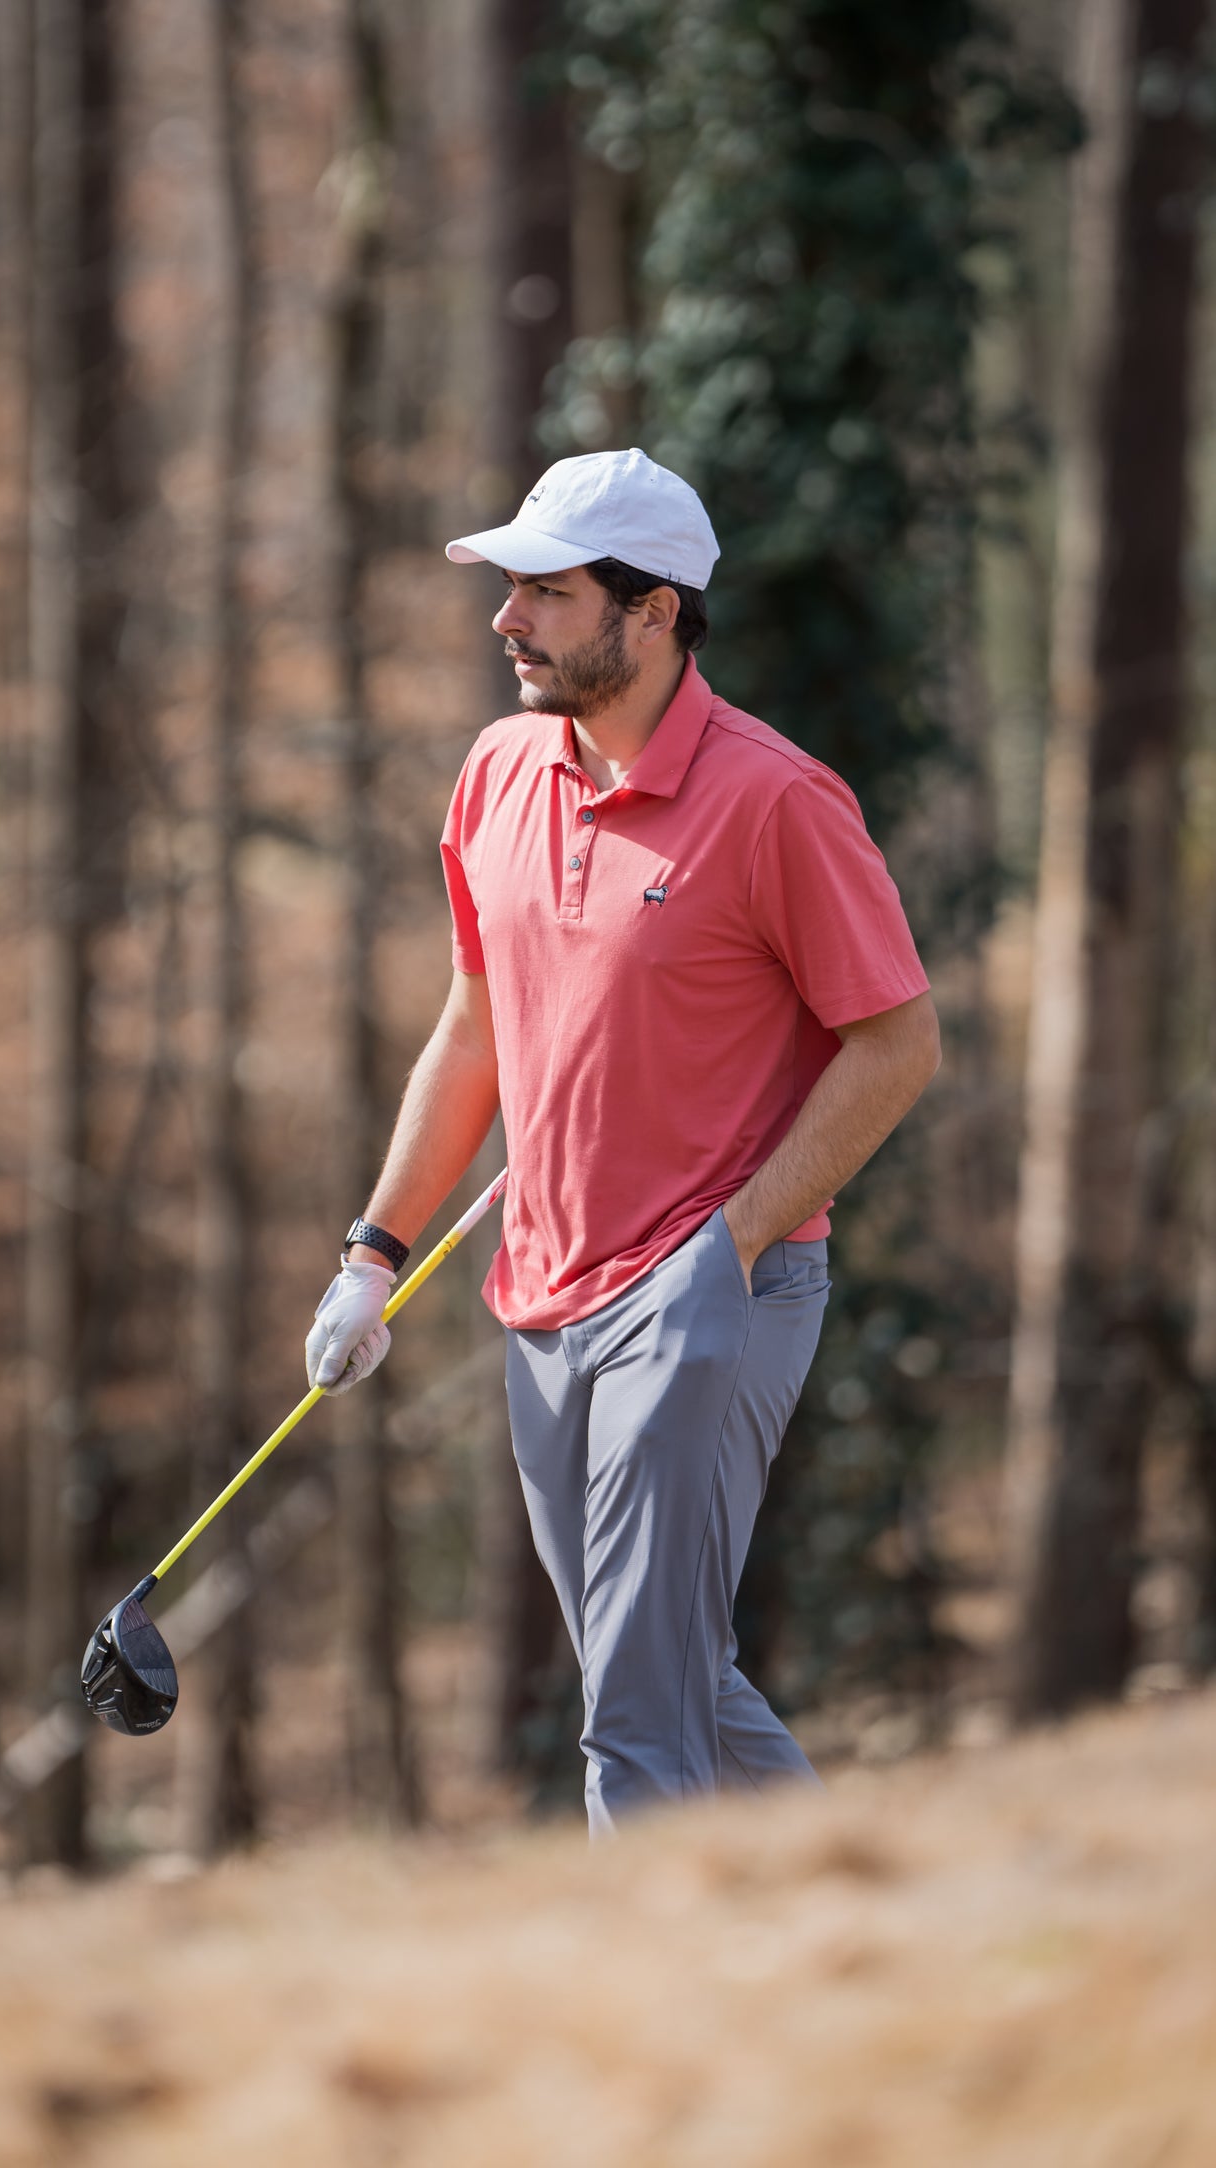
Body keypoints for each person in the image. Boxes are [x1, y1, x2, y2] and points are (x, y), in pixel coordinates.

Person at [305, 447, 940, 1834]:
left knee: (635, 1718)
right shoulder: (494, 775)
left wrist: (734, 1241)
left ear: (652, 612)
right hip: (541, 1293)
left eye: (546, 589)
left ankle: (649, 2026)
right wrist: (372, 1251)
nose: (506, 618)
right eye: (511, 587)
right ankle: (855, 1915)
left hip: (714, 1286)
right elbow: (475, 1029)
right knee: (655, 1674)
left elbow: (897, 1044)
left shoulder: (776, 801)